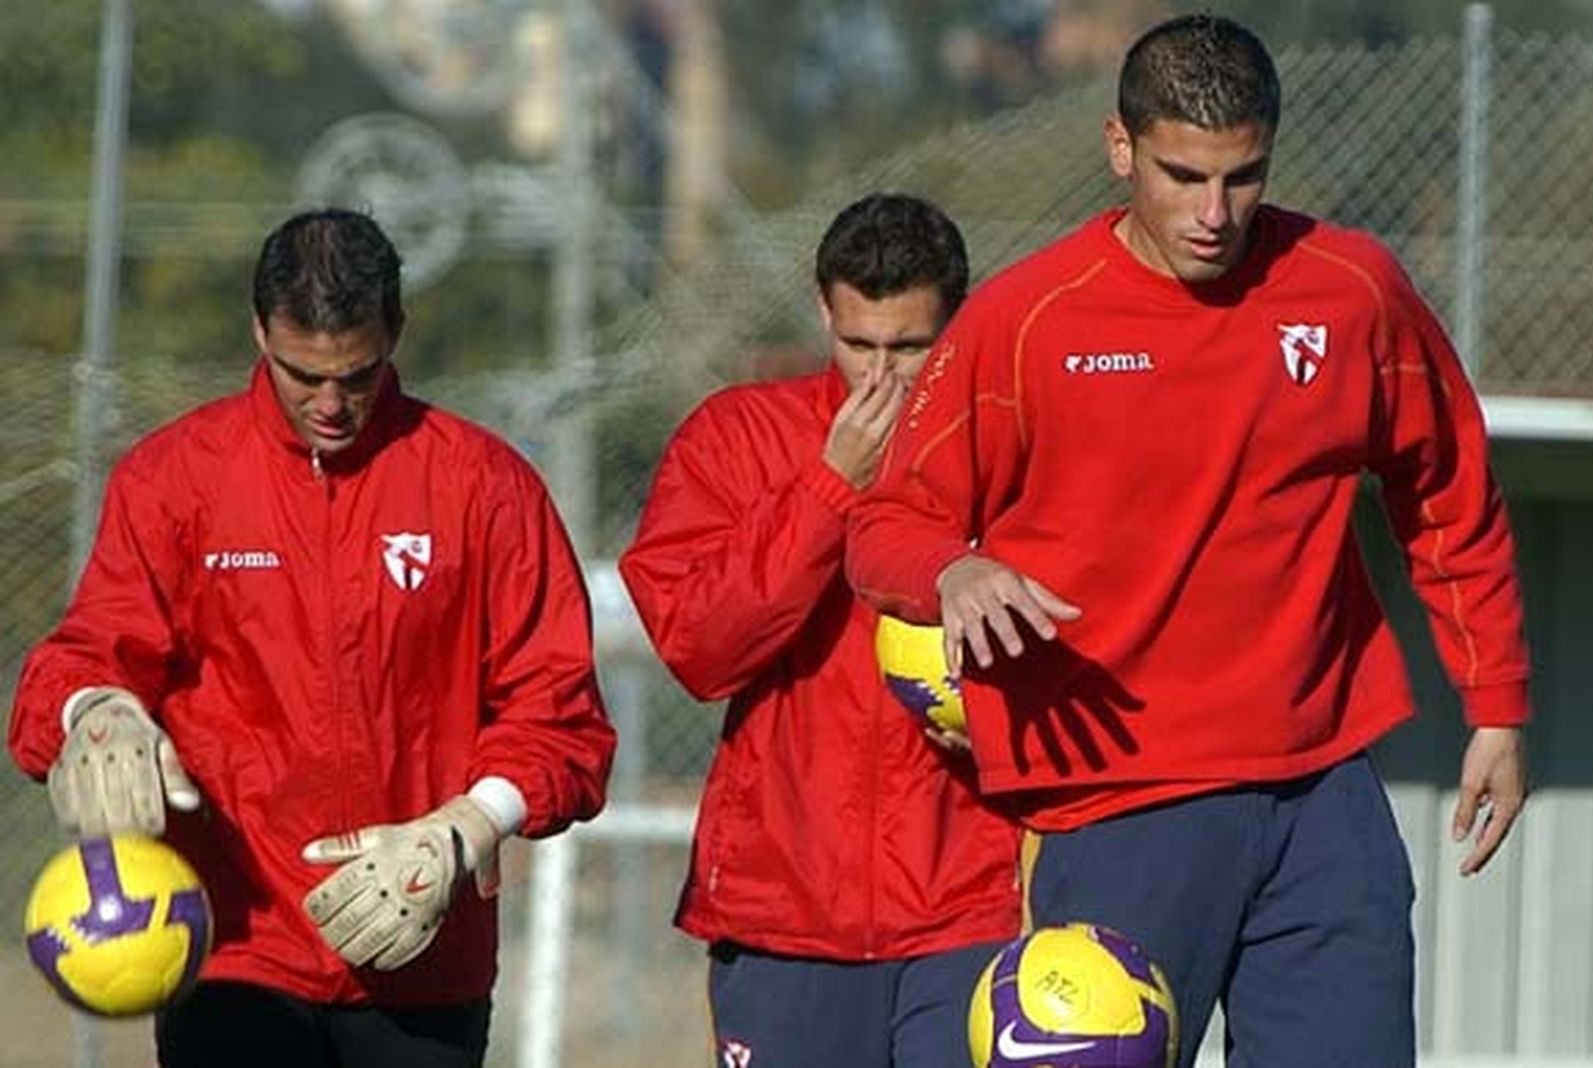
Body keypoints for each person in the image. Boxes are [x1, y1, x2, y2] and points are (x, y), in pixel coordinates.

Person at [845, 15, 1530, 1068]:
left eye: (1242, 177)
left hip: (1321, 794)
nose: (1213, 214)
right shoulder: (1026, 320)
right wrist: (953, 565)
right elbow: (882, 527)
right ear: (1121, 148)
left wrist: (1493, 706)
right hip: (1117, 801)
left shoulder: (1350, 291)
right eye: (1181, 176)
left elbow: (1445, 486)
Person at [9, 208, 616, 1068]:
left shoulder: (484, 486)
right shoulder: (174, 479)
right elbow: (81, 656)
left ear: (396, 332)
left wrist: (466, 827)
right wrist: (92, 710)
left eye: (358, 376)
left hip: (420, 958)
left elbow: (564, 720)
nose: (331, 403)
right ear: (259, 330)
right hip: (233, 951)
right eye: (303, 375)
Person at [619, 193, 1020, 1068]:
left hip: (968, 907)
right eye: (858, 344)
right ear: (822, 309)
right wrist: (829, 488)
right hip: (784, 913)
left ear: (959, 322)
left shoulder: (1016, 446)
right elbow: (701, 647)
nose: (880, 377)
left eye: (912, 349)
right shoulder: (735, 438)